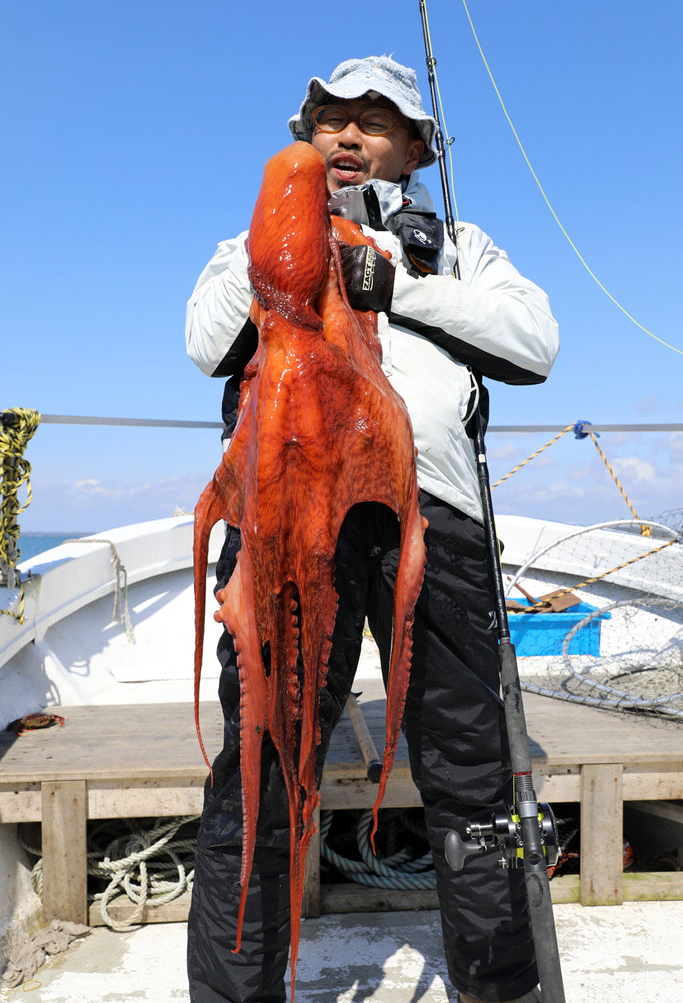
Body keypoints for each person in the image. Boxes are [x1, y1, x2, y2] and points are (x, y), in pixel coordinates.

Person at [185, 55, 559, 1003]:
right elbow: (204, 346)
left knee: (473, 770)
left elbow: (533, 345)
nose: (349, 135)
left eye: (376, 122)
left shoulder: (460, 245)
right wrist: (284, 242)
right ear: (306, 137)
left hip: (431, 518)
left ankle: (499, 986)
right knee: (262, 767)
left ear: (415, 149)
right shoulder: (249, 236)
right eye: (332, 119)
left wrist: (398, 285)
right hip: (285, 519)